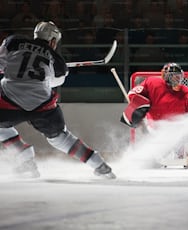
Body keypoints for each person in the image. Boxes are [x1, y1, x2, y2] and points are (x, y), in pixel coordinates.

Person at [0, 21, 116, 179]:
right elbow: (54, 82)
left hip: (9, 101)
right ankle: (100, 166)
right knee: (61, 139)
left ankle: (25, 160)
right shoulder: (58, 61)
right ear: (53, 41)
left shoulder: (14, 42)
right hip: (42, 105)